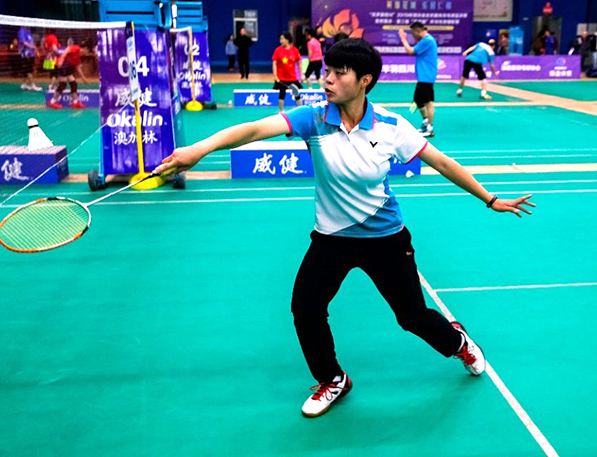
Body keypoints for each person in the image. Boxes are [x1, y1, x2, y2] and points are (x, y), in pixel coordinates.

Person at [153, 38, 535, 419]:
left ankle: (459, 343)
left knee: (412, 317)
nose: (327, 80)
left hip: (385, 239)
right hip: (331, 240)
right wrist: (199, 149)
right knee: (305, 308)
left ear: (365, 80)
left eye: (339, 73)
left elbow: (443, 163)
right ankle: (333, 378)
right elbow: (253, 130)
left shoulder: (392, 127)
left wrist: (490, 199)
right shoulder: (314, 118)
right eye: (327, 71)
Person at [399, 22, 437, 137]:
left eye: (413, 32)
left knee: (428, 102)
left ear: (418, 30)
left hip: (427, 76)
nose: (412, 35)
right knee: (418, 99)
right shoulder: (426, 40)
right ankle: (425, 123)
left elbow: (410, 51)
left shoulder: (427, 40)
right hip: (424, 76)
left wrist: (403, 39)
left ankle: (429, 128)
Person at [47, 41, 89, 110]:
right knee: (62, 84)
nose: (87, 53)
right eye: (88, 51)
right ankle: (52, 102)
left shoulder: (79, 57)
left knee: (73, 83)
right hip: (61, 66)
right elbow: (67, 49)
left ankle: (75, 102)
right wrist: (61, 60)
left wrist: (83, 78)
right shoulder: (77, 48)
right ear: (85, 49)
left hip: (68, 68)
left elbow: (78, 67)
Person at [272, 32, 302, 112]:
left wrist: (301, 74)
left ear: (287, 40)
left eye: (282, 39)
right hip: (281, 77)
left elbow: (299, 63)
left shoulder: (294, 50)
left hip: (292, 77)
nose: (280, 41)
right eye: (280, 39)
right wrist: (275, 75)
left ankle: (301, 110)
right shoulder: (278, 50)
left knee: (297, 93)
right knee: (282, 94)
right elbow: (274, 63)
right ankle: (281, 111)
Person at [18, 26, 41, 91]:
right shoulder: (21, 31)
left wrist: (36, 51)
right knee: (29, 70)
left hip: (31, 54)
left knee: (26, 70)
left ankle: (24, 84)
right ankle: (32, 85)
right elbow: (24, 42)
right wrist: (32, 47)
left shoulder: (29, 31)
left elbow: (32, 42)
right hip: (25, 54)